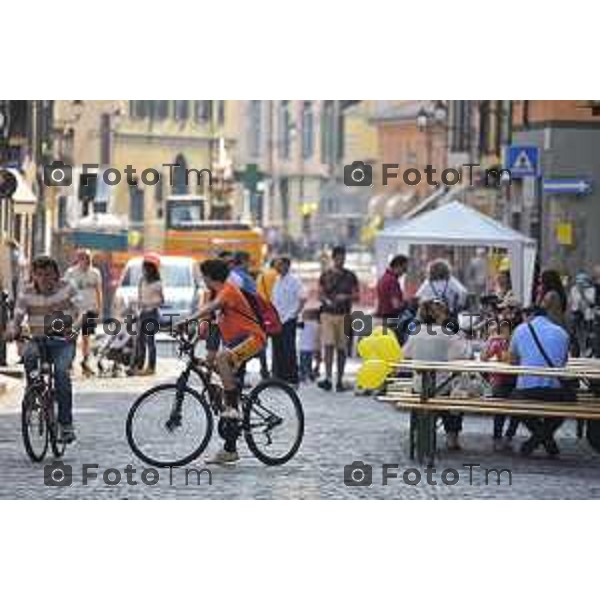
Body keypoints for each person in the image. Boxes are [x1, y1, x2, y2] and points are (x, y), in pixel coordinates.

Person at [179, 259, 267, 465]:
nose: (202, 279)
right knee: (215, 368)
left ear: (210, 276)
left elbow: (212, 307)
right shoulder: (217, 293)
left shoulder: (228, 291)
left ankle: (233, 408)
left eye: (203, 275)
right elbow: (209, 321)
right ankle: (230, 449)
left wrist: (186, 320)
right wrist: (191, 338)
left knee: (220, 359)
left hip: (253, 339)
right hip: (237, 342)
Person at [6, 256, 81, 443]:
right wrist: (13, 329)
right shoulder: (27, 292)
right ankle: (34, 390)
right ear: (33, 275)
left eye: (48, 274)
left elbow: (84, 311)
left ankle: (65, 425)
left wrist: (75, 328)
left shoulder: (67, 288)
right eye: (39, 274)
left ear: (56, 274)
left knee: (62, 373)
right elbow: (18, 316)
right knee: (29, 354)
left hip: (63, 341)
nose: (43, 279)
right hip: (38, 339)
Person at [509, 296, 572, 457]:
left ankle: (537, 438)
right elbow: (563, 363)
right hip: (555, 392)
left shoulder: (520, 329)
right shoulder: (562, 333)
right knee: (569, 402)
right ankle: (545, 438)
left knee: (515, 401)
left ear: (530, 315)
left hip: (527, 391)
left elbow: (513, 361)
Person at [403, 299, 468, 450]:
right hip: (441, 387)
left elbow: (405, 355)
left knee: (433, 393)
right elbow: (463, 355)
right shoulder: (448, 334)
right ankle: (452, 437)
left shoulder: (415, 334)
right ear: (439, 316)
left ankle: (419, 431)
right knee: (456, 394)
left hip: (420, 387)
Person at [317, 246, 359, 392]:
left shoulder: (350, 276)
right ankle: (328, 378)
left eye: (343, 258)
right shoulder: (325, 275)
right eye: (339, 258)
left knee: (342, 349)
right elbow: (320, 294)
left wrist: (346, 297)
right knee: (328, 345)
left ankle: (339, 379)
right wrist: (326, 301)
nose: (341, 260)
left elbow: (357, 296)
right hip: (328, 314)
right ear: (333, 258)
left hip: (345, 315)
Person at [481, 312, 519, 451]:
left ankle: (509, 436)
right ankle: (497, 437)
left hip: (516, 380)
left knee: (518, 410)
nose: (503, 331)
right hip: (500, 380)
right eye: (501, 328)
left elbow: (512, 360)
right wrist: (490, 339)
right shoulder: (497, 342)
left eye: (506, 328)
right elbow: (484, 357)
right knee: (500, 408)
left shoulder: (518, 343)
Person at [65, 249, 103, 376]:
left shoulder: (95, 273)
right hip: (75, 310)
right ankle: (69, 362)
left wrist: (99, 308)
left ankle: (85, 362)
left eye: (87, 259)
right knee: (73, 337)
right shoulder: (71, 273)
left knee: (87, 337)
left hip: (90, 309)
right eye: (82, 259)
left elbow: (98, 291)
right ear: (78, 260)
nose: (84, 262)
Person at [272, 256, 305, 385]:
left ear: (287, 265)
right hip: (277, 320)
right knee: (278, 349)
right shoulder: (277, 280)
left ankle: (292, 378)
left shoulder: (294, 281)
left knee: (289, 349)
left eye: (280, 264)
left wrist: (295, 314)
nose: (277, 267)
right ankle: (280, 377)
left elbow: (302, 298)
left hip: (288, 319)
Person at [133, 255, 164, 376]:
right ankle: (139, 366)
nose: (143, 270)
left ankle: (151, 367)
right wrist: (138, 306)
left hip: (152, 313)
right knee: (140, 340)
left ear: (150, 269)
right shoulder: (142, 281)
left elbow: (161, 301)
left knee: (150, 341)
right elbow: (139, 296)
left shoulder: (157, 283)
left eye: (144, 268)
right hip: (142, 313)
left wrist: (147, 303)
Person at [376, 254, 408, 339]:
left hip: (383, 320)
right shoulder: (392, 281)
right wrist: (408, 303)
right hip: (391, 321)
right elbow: (396, 305)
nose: (404, 273)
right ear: (397, 266)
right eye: (404, 269)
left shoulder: (383, 278)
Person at [298, 308, 320, 383]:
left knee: (308, 358)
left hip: (310, 346)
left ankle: (307, 373)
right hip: (303, 346)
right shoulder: (303, 322)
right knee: (304, 357)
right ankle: (304, 373)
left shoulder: (316, 323)